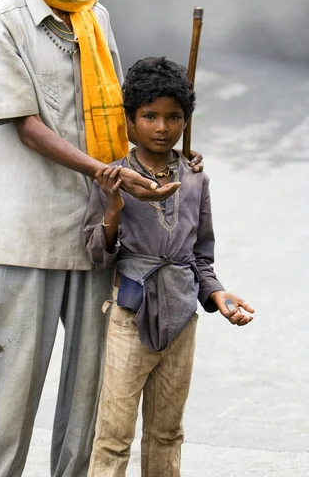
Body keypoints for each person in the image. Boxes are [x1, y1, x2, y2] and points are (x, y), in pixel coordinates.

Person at [0, 0, 204, 477]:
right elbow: (25, 125)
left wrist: (169, 154)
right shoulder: (1, 22)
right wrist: (108, 172)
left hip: (104, 230)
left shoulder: (94, 16)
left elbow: (127, 116)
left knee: (89, 401)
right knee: (7, 394)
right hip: (32, 235)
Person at [83, 56, 255, 477]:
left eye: (174, 116)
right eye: (150, 116)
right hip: (130, 314)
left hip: (181, 318)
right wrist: (113, 207)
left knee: (166, 434)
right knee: (113, 435)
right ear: (130, 120)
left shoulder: (196, 178)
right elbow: (95, 253)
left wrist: (218, 294)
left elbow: (200, 255)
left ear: (186, 120)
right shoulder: (113, 176)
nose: (162, 127)